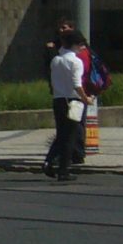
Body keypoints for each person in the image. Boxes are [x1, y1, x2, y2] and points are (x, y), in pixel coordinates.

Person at [45, 30, 92, 181]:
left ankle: (49, 161)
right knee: (70, 136)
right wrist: (86, 98)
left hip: (58, 99)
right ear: (75, 45)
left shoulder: (56, 60)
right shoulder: (76, 62)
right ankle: (63, 169)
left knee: (61, 134)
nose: (82, 48)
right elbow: (77, 84)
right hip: (73, 101)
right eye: (81, 45)